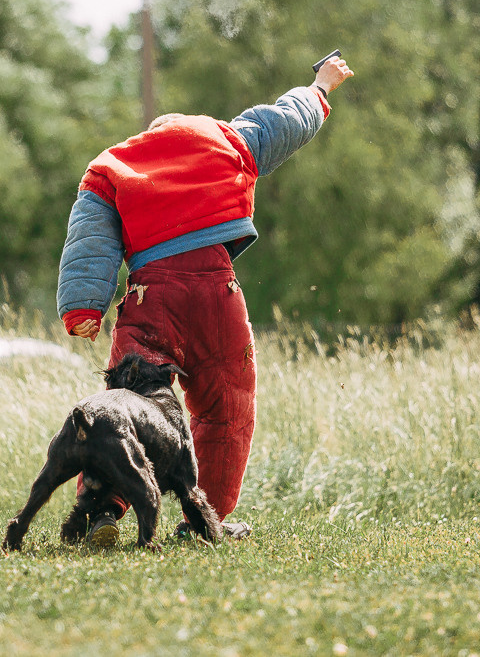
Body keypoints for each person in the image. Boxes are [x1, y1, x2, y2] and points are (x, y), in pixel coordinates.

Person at [56, 54, 354, 545]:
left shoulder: (115, 167)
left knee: (130, 404)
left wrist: (84, 305)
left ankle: (103, 507)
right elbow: (289, 119)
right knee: (225, 410)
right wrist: (321, 85)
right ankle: (202, 519)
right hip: (219, 298)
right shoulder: (228, 139)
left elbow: (90, 238)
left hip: (152, 300)